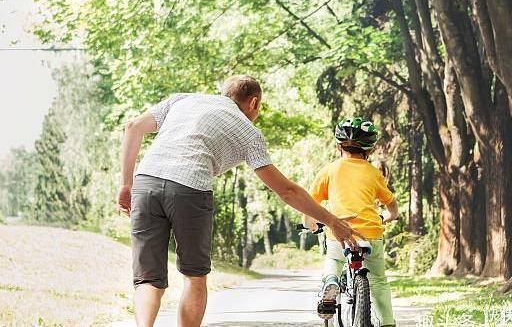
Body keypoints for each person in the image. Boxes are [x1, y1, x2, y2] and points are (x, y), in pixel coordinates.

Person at [116, 75, 363, 327]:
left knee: (148, 279)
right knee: (194, 276)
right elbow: (287, 191)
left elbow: (133, 127)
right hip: (190, 188)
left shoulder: (183, 100)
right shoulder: (248, 132)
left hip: (146, 182)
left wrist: (126, 184)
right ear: (253, 103)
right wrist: (332, 221)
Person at [303, 117, 399, 327]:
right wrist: (389, 216)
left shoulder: (329, 170)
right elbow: (391, 204)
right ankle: (388, 322)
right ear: (370, 151)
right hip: (371, 234)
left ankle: (331, 282)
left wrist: (310, 223)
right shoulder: (374, 173)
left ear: (338, 146)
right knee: (379, 281)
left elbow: (310, 203)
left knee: (335, 260)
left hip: (339, 232)